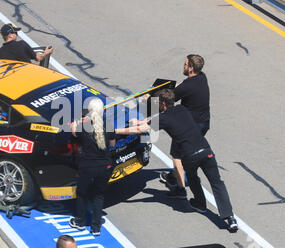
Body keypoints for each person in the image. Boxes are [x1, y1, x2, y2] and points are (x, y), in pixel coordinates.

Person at [116, 89, 238, 232]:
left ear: (162, 103)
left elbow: (139, 130)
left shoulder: (163, 119)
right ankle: (230, 218)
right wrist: (141, 121)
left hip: (189, 155)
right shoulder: (182, 109)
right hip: (206, 150)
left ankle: (200, 203)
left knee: (193, 178)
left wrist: (116, 131)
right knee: (217, 183)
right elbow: (152, 120)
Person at [160, 54, 211, 198]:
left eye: (185, 64)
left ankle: (180, 189)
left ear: (190, 68)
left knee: (177, 155)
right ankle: (172, 176)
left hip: (189, 127)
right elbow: (182, 86)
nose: (183, 65)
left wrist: (152, 95)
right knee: (186, 152)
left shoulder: (187, 86)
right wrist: (169, 85)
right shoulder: (202, 77)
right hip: (204, 123)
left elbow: (170, 98)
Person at [69, 98, 116, 236]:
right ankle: (96, 227)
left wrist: (76, 122)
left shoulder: (83, 126)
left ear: (89, 111)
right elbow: (112, 144)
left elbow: (73, 132)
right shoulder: (109, 126)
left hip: (87, 166)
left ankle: (80, 221)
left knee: (82, 193)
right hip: (104, 166)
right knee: (98, 195)